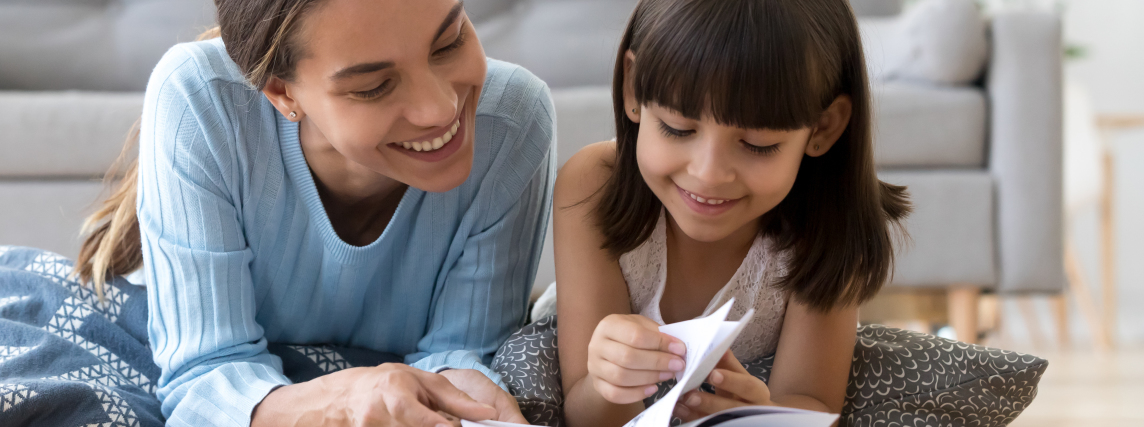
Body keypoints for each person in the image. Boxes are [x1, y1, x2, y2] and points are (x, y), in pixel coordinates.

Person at [76, 0, 555, 425]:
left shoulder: (512, 122)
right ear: (282, 93)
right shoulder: (200, 100)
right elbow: (204, 375)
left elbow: (462, 351)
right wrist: (343, 398)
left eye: (449, 42)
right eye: (374, 86)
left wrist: (460, 394)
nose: (440, 108)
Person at [551, 0, 911, 425]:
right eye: (677, 128)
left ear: (823, 127)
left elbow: (813, 403)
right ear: (634, 88)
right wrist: (609, 380)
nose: (708, 175)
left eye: (757, 145)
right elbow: (584, 412)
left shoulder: (825, 224)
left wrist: (762, 416)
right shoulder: (595, 185)